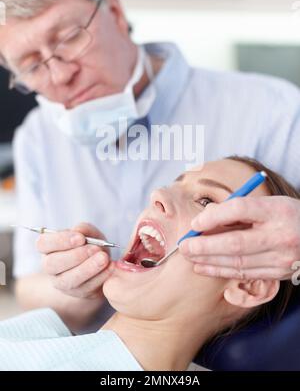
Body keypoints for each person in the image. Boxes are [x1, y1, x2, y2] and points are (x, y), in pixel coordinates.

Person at [0, 0, 300, 332]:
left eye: (68, 39)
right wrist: (73, 290)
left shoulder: (275, 111)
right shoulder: (38, 138)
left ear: (115, 11)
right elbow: (28, 285)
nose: (59, 75)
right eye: (32, 65)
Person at [0, 156, 297, 371]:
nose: (158, 194)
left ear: (248, 285)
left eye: (206, 201)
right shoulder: (36, 337)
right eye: (173, 185)